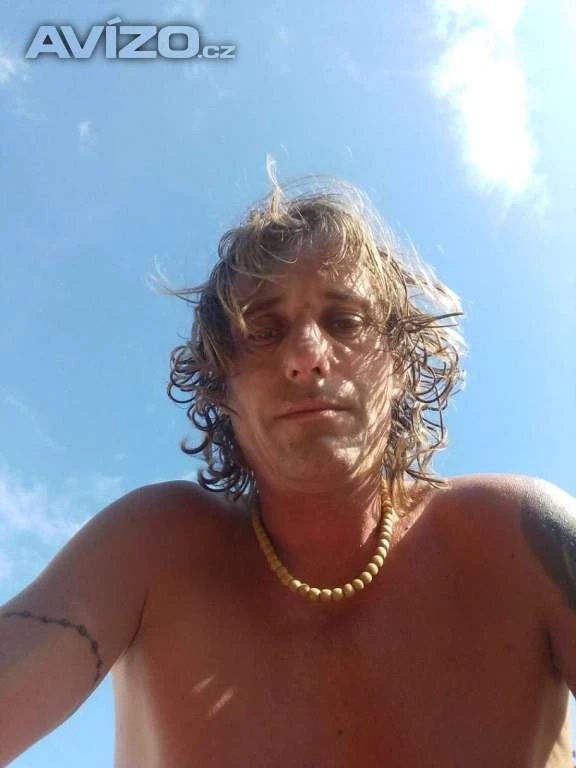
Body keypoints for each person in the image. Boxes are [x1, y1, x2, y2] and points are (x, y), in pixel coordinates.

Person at [1, 162, 575, 768]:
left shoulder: (518, 536)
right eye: (263, 330)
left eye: (345, 321)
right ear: (221, 386)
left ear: (400, 366)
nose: (305, 356)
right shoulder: (150, 550)